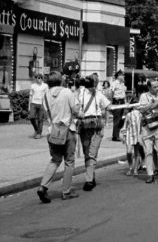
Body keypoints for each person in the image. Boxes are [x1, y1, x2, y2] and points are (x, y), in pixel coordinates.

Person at [36, 72, 78, 202]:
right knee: (69, 161)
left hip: (53, 131)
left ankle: (43, 186)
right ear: (60, 80)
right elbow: (75, 110)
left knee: (55, 159)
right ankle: (66, 191)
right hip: (68, 129)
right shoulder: (67, 92)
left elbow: (46, 113)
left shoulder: (45, 95)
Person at [73, 75, 112, 191]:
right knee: (87, 153)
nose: (94, 86)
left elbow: (108, 106)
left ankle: (89, 180)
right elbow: (74, 109)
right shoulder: (80, 94)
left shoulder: (97, 94)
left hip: (95, 127)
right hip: (86, 126)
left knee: (91, 153)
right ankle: (91, 176)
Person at [28, 73, 48, 139]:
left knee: (40, 119)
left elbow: (47, 96)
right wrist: (29, 105)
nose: (40, 79)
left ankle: (39, 133)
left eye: (41, 78)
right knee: (31, 117)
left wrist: (46, 106)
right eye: (38, 78)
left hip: (41, 104)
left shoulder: (45, 86)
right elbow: (30, 96)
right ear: (36, 79)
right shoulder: (33, 86)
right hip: (33, 103)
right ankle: (36, 129)